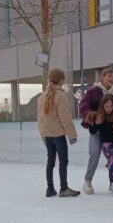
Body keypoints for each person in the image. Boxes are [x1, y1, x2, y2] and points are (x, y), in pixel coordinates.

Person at [78, 66, 113, 195]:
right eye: (109, 76)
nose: (112, 79)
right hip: (98, 130)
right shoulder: (93, 91)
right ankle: (88, 180)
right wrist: (92, 118)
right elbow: (83, 106)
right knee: (95, 152)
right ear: (102, 78)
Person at [36, 68, 79, 197]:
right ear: (61, 80)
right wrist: (72, 135)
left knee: (50, 161)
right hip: (58, 135)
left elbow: (40, 119)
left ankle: (50, 189)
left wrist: (43, 135)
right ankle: (64, 188)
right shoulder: (61, 96)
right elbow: (65, 117)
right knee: (63, 160)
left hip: (47, 135)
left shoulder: (41, 97)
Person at [87, 93, 113, 194]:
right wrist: (96, 124)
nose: (109, 109)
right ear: (102, 106)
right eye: (106, 106)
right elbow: (92, 131)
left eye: (111, 106)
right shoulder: (100, 116)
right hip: (107, 144)